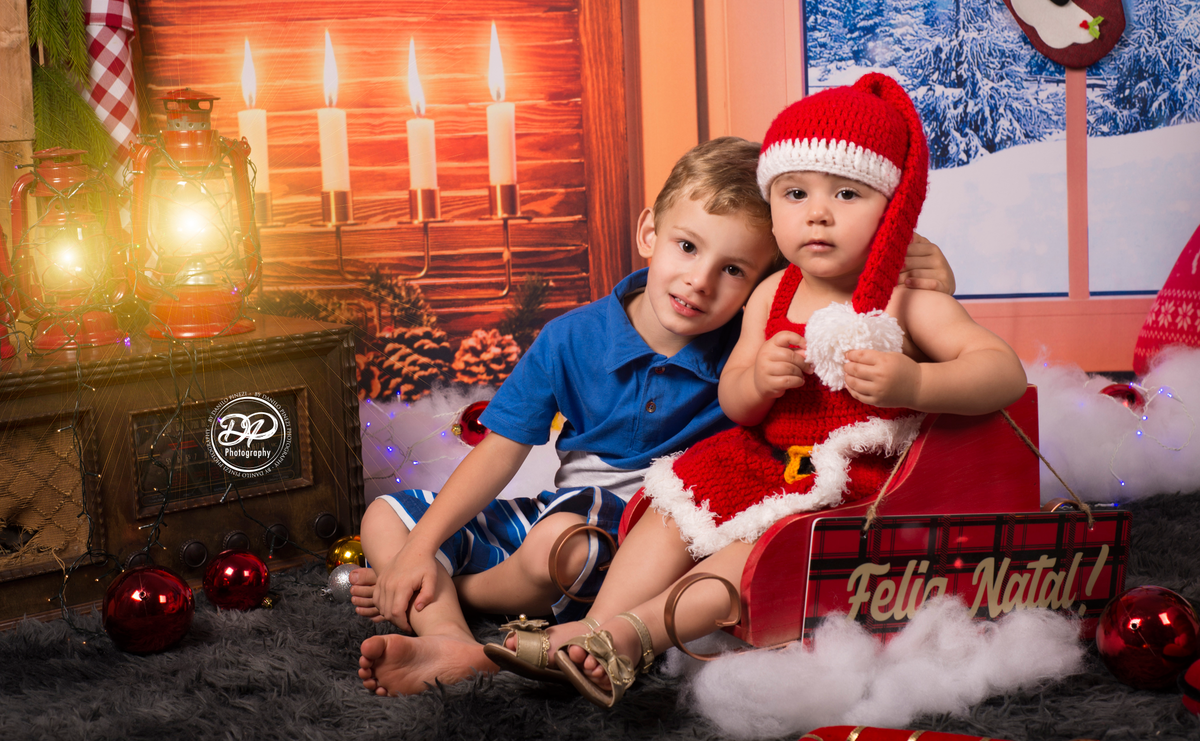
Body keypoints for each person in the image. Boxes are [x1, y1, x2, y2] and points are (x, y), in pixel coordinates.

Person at [354, 135, 957, 696]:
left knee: (560, 544)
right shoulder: (573, 337)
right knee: (388, 518)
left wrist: (931, 278)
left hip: (639, 540)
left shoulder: (749, 350)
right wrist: (419, 546)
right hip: (563, 512)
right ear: (650, 231)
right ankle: (451, 640)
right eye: (687, 246)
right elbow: (501, 449)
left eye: (733, 271)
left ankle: (463, 602)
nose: (698, 281)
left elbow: (861, 319)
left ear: (768, 285)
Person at [494, 73, 1028, 708]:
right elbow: (733, 399)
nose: (818, 213)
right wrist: (760, 379)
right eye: (795, 192)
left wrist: (917, 379)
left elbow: (1003, 372)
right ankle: (588, 629)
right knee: (674, 507)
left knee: (752, 553)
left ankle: (629, 638)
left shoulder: (907, 299)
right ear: (772, 204)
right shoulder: (773, 293)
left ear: (892, 211)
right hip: (766, 463)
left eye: (849, 194)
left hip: (852, 485)